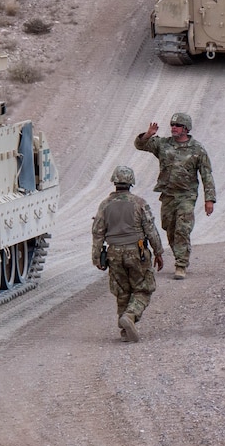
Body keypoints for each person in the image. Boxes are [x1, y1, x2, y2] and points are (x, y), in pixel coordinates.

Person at [134, 113, 215, 279]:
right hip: (168, 195)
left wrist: (209, 199)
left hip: (187, 196)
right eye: (172, 125)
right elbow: (140, 145)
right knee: (169, 228)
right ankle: (179, 254)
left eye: (177, 125)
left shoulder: (197, 149)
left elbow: (207, 175)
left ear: (185, 128)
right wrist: (148, 134)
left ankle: (181, 264)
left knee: (182, 229)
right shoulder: (163, 144)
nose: (173, 128)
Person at [91, 165, 163, 343]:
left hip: (114, 252)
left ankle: (124, 331)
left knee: (122, 292)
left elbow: (98, 232)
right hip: (136, 252)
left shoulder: (105, 205)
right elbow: (151, 230)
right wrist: (158, 252)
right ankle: (130, 316)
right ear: (131, 182)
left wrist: (96, 257)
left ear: (114, 182)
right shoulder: (139, 203)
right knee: (144, 289)